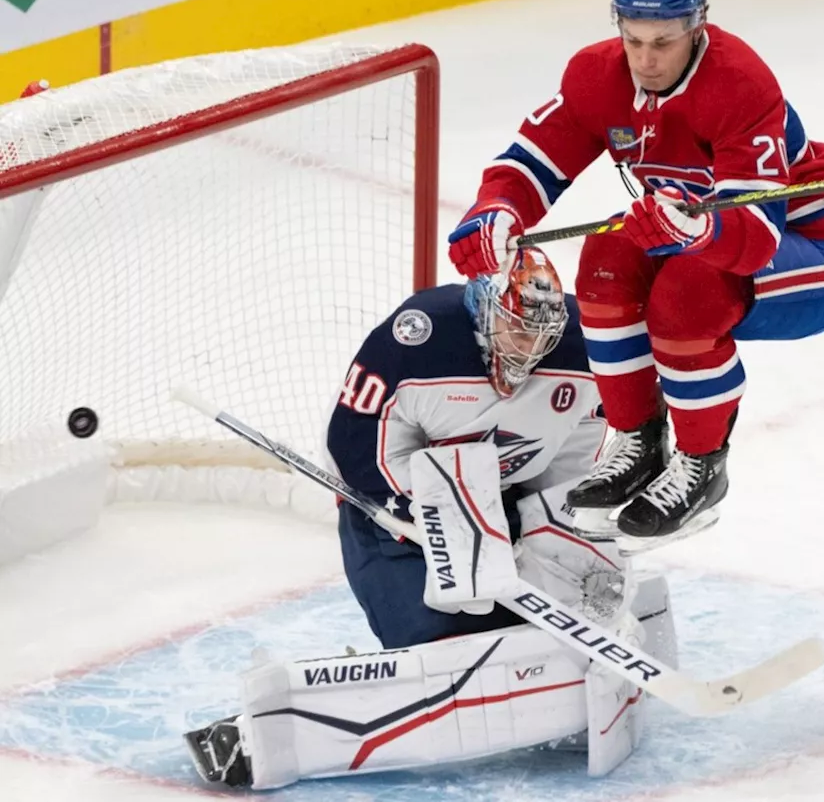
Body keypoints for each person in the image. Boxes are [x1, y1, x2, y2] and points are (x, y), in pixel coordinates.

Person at [184, 249, 676, 789]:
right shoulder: (416, 339)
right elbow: (352, 448)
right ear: (488, 313)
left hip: (505, 502)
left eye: (542, 337)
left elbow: (578, 442)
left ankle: (550, 664)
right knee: (446, 640)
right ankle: (286, 731)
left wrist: (541, 522)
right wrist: (421, 515)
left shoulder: (588, 344)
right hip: (395, 522)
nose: (529, 350)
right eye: (516, 333)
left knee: (563, 607)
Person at [445, 0, 824, 550]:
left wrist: (694, 231)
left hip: (807, 248)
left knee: (686, 295)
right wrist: (498, 210)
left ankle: (701, 464)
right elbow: (535, 158)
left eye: (663, 42)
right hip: (693, 231)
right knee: (604, 264)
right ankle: (639, 441)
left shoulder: (741, 83)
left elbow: (753, 239)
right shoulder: (597, 75)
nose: (645, 60)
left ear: (699, 23)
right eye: (633, 38)